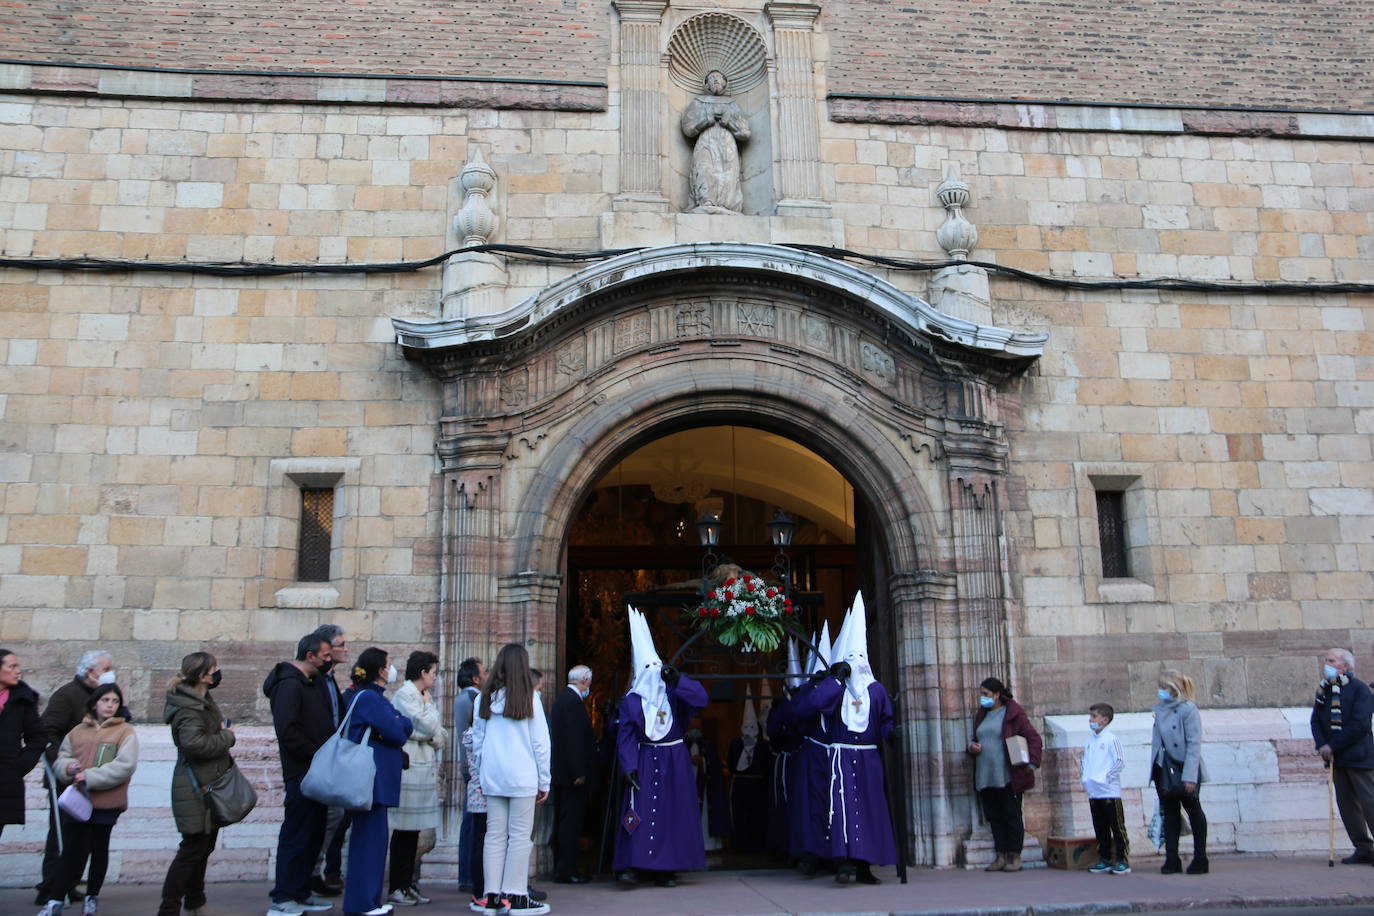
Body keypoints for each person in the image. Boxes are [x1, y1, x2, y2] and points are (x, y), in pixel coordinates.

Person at [790, 596, 896, 884]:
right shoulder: (835, 690)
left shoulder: (876, 691)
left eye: (859, 659)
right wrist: (836, 680)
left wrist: (891, 734)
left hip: (868, 758)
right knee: (843, 810)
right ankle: (844, 863)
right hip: (840, 758)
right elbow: (816, 705)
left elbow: (885, 718)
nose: (855, 665)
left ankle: (865, 864)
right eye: (851, 660)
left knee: (870, 808)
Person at [614, 608, 709, 888]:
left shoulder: (673, 694)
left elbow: (701, 699)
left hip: (675, 760)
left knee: (673, 813)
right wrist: (628, 765)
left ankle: (668, 868)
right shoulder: (631, 702)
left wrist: (678, 680)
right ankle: (635, 865)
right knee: (640, 812)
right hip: (644, 759)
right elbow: (626, 736)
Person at [38, 683, 139, 916]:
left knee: (99, 849)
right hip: (79, 800)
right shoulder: (77, 730)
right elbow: (62, 757)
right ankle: (55, 901)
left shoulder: (125, 732)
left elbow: (125, 765)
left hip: (107, 801)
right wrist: (69, 767)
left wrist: (90, 776)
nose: (110, 706)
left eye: (114, 701)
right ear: (95, 702)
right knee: (71, 850)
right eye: (105, 700)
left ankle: (91, 898)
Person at [471, 644, 551, 916]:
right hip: (522, 776)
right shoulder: (529, 698)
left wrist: (480, 774)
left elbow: (477, 741)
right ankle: (516, 895)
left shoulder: (483, 698)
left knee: (493, 836)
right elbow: (540, 743)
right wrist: (545, 781)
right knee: (519, 837)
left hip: (494, 775)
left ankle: (491, 896)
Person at [157, 651, 236, 916]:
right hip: (195, 788)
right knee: (192, 849)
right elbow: (194, 744)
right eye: (214, 669)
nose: (218, 673)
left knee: (203, 847)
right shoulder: (188, 708)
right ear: (202, 676)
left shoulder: (201, 701)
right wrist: (226, 738)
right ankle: (169, 908)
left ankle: (194, 901)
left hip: (208, 784)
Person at [263, 633, 337, 916]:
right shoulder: (289, 686)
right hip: (301, 772)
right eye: (326, 656)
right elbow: (287, 731)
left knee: (313, 833)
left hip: (317, 772)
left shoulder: (311, 683)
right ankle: (283, 896)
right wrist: (316, 752)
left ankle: (302, 890)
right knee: (296, 833)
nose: (329, 661)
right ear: (310, 656)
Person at [341, 648, 413, 916]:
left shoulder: (373, 698)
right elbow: (399, 730)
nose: (392, 669)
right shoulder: (370, 699)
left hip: (374, 779)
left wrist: (398, 725)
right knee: (369, 841)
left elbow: (403, 724)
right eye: (390, 664)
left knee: (372, 839)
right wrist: (397, 726)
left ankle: (368, 900)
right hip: (371, 779)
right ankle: (362, 903)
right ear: (381, 671)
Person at [388, 650, 446, 907]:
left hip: (423, 768)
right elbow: (423, 726)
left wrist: (431, 730)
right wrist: (431, 729)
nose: (435, 677)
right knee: (403, 831)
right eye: (433, 672)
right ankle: (397, 885)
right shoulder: (405, 695)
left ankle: (409, 883)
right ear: (423, 673)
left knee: (413, 832)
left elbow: (438, 732)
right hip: (410, 768)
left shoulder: (424, 696)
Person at [968, 674, 1043, 873]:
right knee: (994, 817)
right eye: (981, 694)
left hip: (1008, 774)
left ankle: (1015, 856)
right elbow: (978, 738)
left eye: (986, 694)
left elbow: (1034, 738)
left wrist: (1032, 764)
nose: (982, 698)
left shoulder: (1013, 714)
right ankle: (1000, 855)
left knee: (1012, 815)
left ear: (997, 694)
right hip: (986, 775)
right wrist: (972, 747)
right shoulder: (982, 715)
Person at [1312, 648, 1374, 865]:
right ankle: (1363, 847)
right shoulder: (1325, 690)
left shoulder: (1360, 690)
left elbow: (1360, 724)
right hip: (1337, 759)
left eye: (1330, 660)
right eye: (1326, 659)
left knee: (1369, 803)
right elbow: (1316, 720)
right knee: (1347, 805)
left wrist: (1333, 745)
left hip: (1359, 757)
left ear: (1344, 666)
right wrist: (1321, 745)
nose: (1325, 664)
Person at [1151, 669, 1208, 874]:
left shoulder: (1188, 709)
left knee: (1193, 810)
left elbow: (1194, 744)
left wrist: (1190, 776)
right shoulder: (1159, 710)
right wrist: (1155, 769)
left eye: (1164, 687)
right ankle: (1172, 859)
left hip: (1184, 767)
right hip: (1164, 768)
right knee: (1170, 814)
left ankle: (1200, 858)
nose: (1160, 691)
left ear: (1175, 689)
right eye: (1160, 687)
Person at [311, 624, 348, 897]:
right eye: (341, 644)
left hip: (331, 759)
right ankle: (300, 881)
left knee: (331, 818)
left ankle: (314, 874)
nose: (345, 649)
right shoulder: (311, 680)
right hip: (316, 761)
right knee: (310, 823)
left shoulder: (329, 678)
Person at [680, 69, 751, 213]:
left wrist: (729, 122)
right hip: (706, 140)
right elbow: (688, 128)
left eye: (718, 77)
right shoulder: (698, 102)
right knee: (704, 168)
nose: (715, 80)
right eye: (711, 78)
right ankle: (706, 201)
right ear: (706, 84)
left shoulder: (732, 104)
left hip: (727, 142)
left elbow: (745, 132)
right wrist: (707, 119)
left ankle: (727, 205)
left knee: (728, 173)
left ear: (725, 83)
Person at [550, 664, 596, 883]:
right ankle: (566, 869)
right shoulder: (572, 702)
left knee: (566, 820)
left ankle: (564, 867)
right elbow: (573, 741)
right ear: (585, 679)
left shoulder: (563, 699)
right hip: (571, 777)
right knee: (571, 823)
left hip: (564, 775)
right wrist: (579, 772)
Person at [0, 649, 46, 841]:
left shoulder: (23, 699)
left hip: (4, 780)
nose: (18, 671)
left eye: (18, 666)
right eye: (12, 666)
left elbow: (38, 738)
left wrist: (18, 766)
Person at [1081, 702, 1129, 875]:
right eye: (1091, 716)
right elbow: (1085, 761)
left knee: (1116, 826)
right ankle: (1105, 858)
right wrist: (1086, 778)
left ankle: (1122, 859)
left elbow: (1119, 761)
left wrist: (1106, 778)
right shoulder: (1089, 742)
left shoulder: (1111, 739)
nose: (1091, 720)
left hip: (1109, 792)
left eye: (1094, 716)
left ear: (1105, 720)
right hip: (1094, 791)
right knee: (1100, 827)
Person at [455, 656, 485, 896]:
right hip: (475, 771)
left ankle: (466, 875)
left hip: (470, 769)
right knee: (473, 827)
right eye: (483, 672)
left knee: (471, 825)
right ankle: (468, 876)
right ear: (475, 677)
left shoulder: (462, 698)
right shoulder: (473, 698)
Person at [726, 696, 771, 854]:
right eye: (747, 727)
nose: (749, 731)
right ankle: (740, 845)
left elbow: (766, 766)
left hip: (758, 786)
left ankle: (758, 845)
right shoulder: (736, 744)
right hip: (740, 785)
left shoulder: (763, 746)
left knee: (758, 815)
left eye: (753, 727)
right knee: (740, 816)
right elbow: (731, 764)